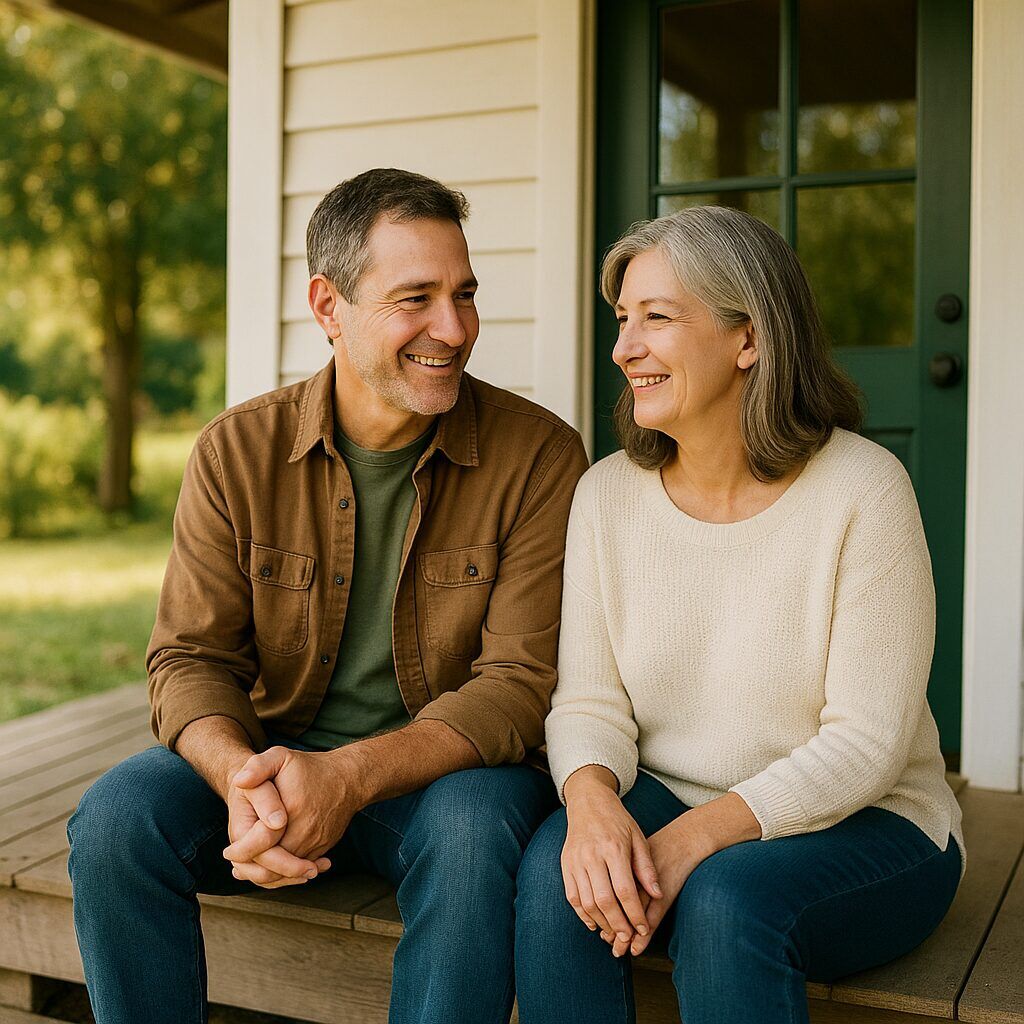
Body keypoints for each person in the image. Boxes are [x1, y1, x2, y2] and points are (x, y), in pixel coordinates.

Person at [67, 167, 588, 1024]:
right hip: (272, 760)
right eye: (415, 298)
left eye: (465, 294)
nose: (453, 329)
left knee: (475, 831)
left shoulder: (537, 459)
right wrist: (241, 778)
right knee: (118, 819)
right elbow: (189, 657)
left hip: (437, 782)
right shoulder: (237, 452)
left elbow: (518, 687)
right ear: (328, 306)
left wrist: (344, 778)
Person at [514, 206, 964, 1024]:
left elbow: (866, 744)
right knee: (560, 876)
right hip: (669, 795)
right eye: (622, 320)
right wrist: (590, 805)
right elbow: (588, 702)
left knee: (725, 903)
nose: (624, 349)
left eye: (657, 318)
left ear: (747, 339)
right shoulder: (606, 494)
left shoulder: (864, 490)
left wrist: (693, 839)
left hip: (871, 825)